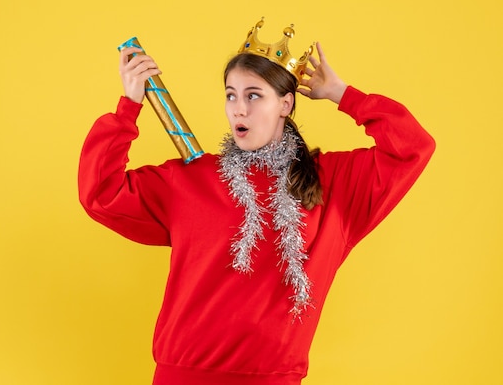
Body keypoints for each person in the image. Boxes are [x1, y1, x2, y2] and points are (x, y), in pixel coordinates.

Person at [78, 19, 435, 385]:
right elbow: (101, 193)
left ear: (285, 104)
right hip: (182, 376)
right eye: (231, 95)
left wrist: (343, 94)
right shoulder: (189, 179)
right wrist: (128, 107)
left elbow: (412, 148)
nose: (238, 109)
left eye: (253, 95)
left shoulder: (334, 183)